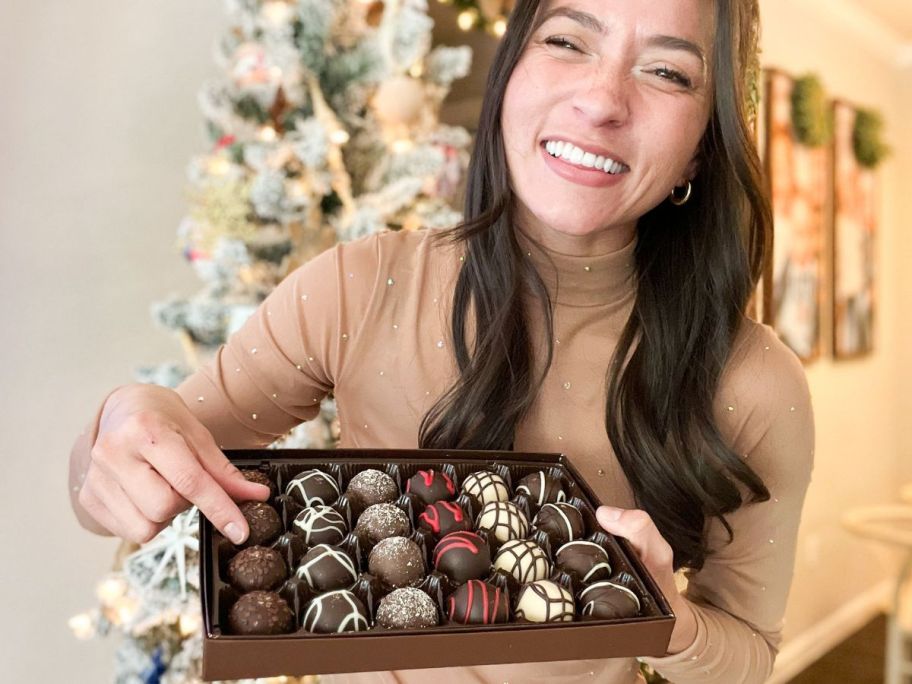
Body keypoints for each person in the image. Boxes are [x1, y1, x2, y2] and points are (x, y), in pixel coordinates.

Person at [68, 0, 815, 682]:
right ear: (511, 73)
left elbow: (748, 654)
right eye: (565, 40)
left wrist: (669, 622)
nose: (600, 101)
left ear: (700, 147)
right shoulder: (358, 287)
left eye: (666, 71)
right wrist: (121, 423)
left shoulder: (752, 384)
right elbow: (123, 482)